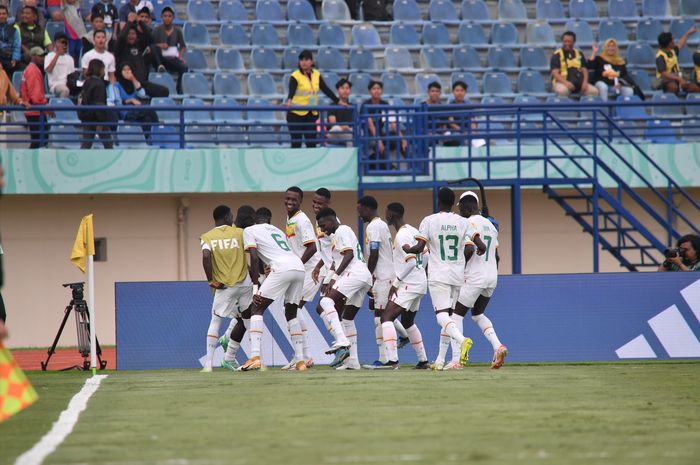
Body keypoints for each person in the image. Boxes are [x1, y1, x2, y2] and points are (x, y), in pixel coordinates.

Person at [403, 187, 486, 370]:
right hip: (457, 276)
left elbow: (419, 247)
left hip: (438, 275)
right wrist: (480, 248)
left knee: (441, 316)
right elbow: (480, 245)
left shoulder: (429, 221)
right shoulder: (463, 222)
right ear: (452, 202)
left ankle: (463, 340)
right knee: (451, 318)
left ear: (438, 201)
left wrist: (408, 248)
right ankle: (443, 360)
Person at [239, 206, 307, 372]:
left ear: (255, 218)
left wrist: (255, 287)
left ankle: (255, 357)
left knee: (256, 307)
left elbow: (254, 257)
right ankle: (300, 361)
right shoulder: (276, 230)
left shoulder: (249, 230)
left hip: (281, 268)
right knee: (291, 312)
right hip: (298, 267)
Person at [452, 191, 508, 369]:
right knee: (477, 314)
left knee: (455, 315)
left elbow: (468, 250)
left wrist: (460, 271)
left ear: (466, 206)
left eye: (460, 208)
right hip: (492, 276)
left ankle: (457, 360)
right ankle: (497, 346)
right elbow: (497, 257)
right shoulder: (491, 225)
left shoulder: (467, 223)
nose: (460, 212)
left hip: (474, 275)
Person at [315, 207, 373, 370]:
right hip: (362, 277)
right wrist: (328, 278)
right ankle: (353, 361)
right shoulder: (336, 236)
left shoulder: (342, 230)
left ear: (332, 218)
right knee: (347, 319)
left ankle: (342, 340)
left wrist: (333, 278)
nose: (321, 228)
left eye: (322, 224)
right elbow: (337, 261)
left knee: (326, 302)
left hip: (355, 273)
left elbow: (349, 255)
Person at [357, 195, 409, 368]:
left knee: (380, 318)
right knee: (380, 314)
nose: (359, 215)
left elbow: (374, 253)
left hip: (384, 276)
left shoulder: (374, 226)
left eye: (360, 210)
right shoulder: (379, 225)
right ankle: (403, 336)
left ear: (368, 208)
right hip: (384, 275)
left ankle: (386, 359)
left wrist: (367, 276)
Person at [199, 205, 253, 372]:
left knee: (215, 321)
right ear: (226, 217)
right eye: (231, 215)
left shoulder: (207, 237)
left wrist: (211, 280)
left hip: (224, 286)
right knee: (249, 321)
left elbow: (206, 256)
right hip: (244, 284)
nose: (233, 218)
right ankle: (256, 358)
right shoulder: (240, 233)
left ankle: (208, 364)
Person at [377, 201, 430, 369]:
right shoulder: (414, 230)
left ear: (392, 215)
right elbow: (426, 256)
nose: (385, 215)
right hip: (420, 283)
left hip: (409, 283)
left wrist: (397, 282)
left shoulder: (401, 236)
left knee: (386, 318)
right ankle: (423, 361)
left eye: (386, 212)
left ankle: (392, 361)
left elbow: (411, 262)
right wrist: (422, 273)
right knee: (408, 322)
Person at [282, 186, 319, 369]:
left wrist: (296, 264)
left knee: (292, 310)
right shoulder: (290, 219)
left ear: (300, 202)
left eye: (294, 200)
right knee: (293, 310)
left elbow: (312, 248)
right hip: (300, 271)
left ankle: (304, 356)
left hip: (311, 271)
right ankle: (304, 355)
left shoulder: (302, 221)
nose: (290, 202)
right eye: (287, 198)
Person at [285, 49, 339, 148]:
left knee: (311, 143)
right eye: (301, 60)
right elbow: (291, 91)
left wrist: (338, 101)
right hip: (296, 114)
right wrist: (289, 100)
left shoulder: (316, 74)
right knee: (296, 143)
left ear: (312, 62)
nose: (303, 62)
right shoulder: (295, 76)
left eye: (306, 59)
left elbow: (325, 89)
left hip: (311, 113)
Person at [363, 80, 407, 170]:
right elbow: (370, 125)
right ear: (369, 91)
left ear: (382, 91)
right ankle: (390, 169)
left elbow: (393, 122)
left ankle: (413, 165)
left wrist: (403, 139)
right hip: (369, 136)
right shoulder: (365, 105)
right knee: (378, 145)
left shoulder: (385, 104)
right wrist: (378, 140)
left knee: (398, 139)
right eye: (374, 88)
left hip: (381, 135)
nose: (376, 91)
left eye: (378, 88)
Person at [78, 58, 116, 148]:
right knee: (108, 145)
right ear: (99, 69)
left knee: (86, 144)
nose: (104, 71)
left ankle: (81, 160)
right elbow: (100, 104)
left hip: (87, 117)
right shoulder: (99, 84)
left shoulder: (87, 82)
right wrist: (101, 121)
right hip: (97, 118)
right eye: (103, 69)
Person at [114, 63, 158, 140]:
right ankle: (158, 124)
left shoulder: (134, 83)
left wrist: (133, 79)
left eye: (129, 69)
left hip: (138, 112)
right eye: (124, 69)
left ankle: (145, 140)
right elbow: (118, 103)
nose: (127, 71)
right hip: (126, 113)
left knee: (148, 119)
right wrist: (130, 100)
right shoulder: (117, 85)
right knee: (148, 109)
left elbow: (142, 94)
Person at [550, 31, 598, 97]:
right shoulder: (557, 55)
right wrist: (566, 83)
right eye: (565, 41)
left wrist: (585, 82)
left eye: (569, 41)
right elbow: (555, 73)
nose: (567, 43)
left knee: (593, 91)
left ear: (574, 42)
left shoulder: (579, 53)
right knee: (562, 91)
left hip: (579, 83)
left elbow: (584, 69)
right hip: (561, 83)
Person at [152, 7, 187, 93]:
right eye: (165, 16)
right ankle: (160, 67)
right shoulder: (157, 30)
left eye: (169, 16)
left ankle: (179, 90)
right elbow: (151, 45)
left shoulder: (177, 31)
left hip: (172, 58)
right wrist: (160, 45)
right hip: (161, 58)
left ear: (173, 18)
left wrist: (180, 56)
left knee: (184, 68)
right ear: (161, 17)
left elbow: (183, 46)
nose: (167, 18)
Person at [655, 30, 700, 95]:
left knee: (693, 88)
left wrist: (687, 34)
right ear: (669, 43)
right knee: (673, 87)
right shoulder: (660, 56)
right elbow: (663, 73)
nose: (674, 41)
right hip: (666, 79)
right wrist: (678, 79)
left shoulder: (673, 51)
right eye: (672, 40)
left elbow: (681, 44)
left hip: (677, 76)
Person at [21, 46, 48, 148]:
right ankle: (29, 161)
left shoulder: (31, 69)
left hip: (34, 110)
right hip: (35, 110)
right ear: (33, 56)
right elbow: (35, 96)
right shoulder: (32, 71)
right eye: (40, 56)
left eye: (43, 56)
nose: (42, 58)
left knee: (39, 140)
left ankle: (31, 161)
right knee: (39, 140)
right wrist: (46, 107)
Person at [44, 31, 74, 97]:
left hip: (68, 84)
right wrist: (57, 54)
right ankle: (61, 107)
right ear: (55, 43)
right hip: (55, 85)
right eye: (59, 42)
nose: (62, 44)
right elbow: (48, 70)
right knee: (65, 90)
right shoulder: (49, 56)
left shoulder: (70, 59)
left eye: (64, 42)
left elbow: (72, 75)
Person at [326, 78, 353, 147]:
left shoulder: (352, 106)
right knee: (336, 129)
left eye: (347, 88)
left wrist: (348, 128)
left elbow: (355, 122)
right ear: (338, 90)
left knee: (357, 131)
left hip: (348, 131)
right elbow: (333, 123)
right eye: (342, 88)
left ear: (350, 91)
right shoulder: (332, 105)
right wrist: (342, 127)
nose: (345, 90)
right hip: (335, 133)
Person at [62, 0, 86, 66]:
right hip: (71, 35)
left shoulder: (78, 4)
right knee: (71, 53)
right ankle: (72, 69)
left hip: (80, 34)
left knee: (79, 52)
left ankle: (78, 68)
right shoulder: (65, 6)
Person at [0, 5, 21, 76]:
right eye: (0, 14)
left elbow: (17, 46)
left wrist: (15, 59)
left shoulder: (14, 29)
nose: (2, 16)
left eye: (4, 14)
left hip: (10, 57)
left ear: (7, 15)